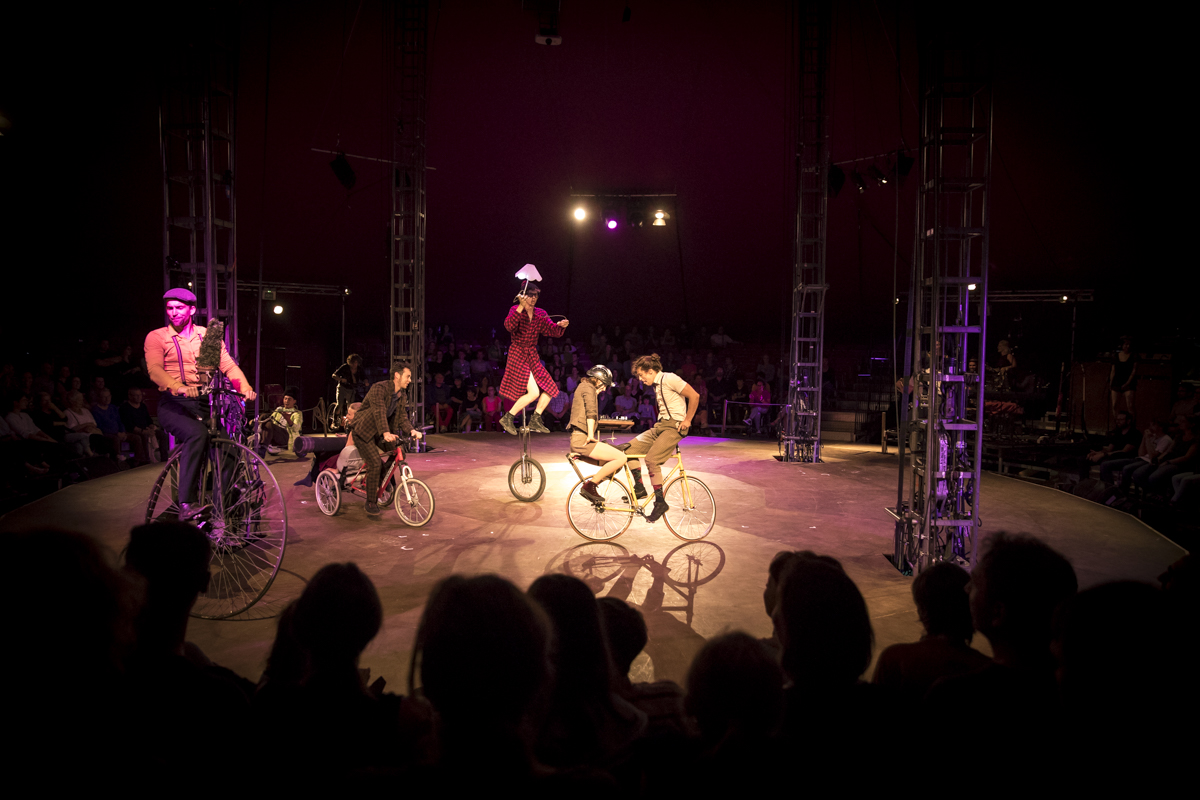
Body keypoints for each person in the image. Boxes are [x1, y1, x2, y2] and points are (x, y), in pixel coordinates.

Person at [144, 287, 257, 520]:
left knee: (229, 450)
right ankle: (186, 503)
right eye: (169, 308)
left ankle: (220, 510)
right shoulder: (157, 336)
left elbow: (228, 366)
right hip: (174, 403)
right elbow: (154, 369)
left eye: (179, 308)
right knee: (197, 434)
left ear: (192, 310)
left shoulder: (206, 336)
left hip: (203, 403)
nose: (173, 312)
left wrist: (244, 387)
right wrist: (179, 386)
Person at [626, 354, 700, 522]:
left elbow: (695, 396)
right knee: (627, 450)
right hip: (660, 426)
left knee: (652, 460)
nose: (640, 379)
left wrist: (688, 420)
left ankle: (660, 502)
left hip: (675, 427)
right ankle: (639, 488)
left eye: (641, 375)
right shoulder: (656, 384)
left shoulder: (670, 378)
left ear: (651, 371)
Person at [346, 359, 424, 515]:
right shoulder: (379, 389)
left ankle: (381, 478)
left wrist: (411, 431)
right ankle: (371, 502)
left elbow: (401, 417)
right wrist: (385, 433)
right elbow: (379, 412)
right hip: (364, 431)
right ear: (397, 375)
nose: (410, 380)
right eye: (408, 376)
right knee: (375, 463)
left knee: (399, 453)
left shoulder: (401, 395)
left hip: (380, 432)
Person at [498, 281, 569, 435]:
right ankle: (508, 418)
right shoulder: (515, 310)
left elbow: (550, 330)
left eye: (536, 295)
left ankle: (536, 419)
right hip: (518, 353)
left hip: (531, 354)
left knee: (551, 388)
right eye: (530, 295)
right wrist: (520, 307)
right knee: (534, 393)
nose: (533, 298)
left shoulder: (540, 313)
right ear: (524, 295)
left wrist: (560, 326)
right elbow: (509, 326)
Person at [568, 365, 632, 505]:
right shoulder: (588, 387)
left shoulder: (584, 387)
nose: (604, 389)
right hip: (582, 439)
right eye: (604, 385)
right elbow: (591, 413)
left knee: (616, 465)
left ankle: (593, 485)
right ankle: (590, 486)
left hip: (580, 438)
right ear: (597, 380)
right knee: (621, 458)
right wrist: (591, 435)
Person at [121, 387, 168, 463]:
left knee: (162, 435)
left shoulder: (142, 406)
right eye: (136, 395)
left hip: (146, 429)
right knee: (144, 436)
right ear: (130, 396)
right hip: (134, 431)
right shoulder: (125, 408)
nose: (139, 397)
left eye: (140, 395)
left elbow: (148, 419)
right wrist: (143, 431)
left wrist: (151, 426)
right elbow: (129, 425)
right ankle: (146, 460)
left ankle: (164, 459)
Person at [262, 387, 303, 456]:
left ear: (294, 401)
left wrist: (288, 419)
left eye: (289, 399)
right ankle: (255, 432)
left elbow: (296, 429)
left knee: (269, 424)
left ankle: (262, 449)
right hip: (276, 434)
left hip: (286, 437)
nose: (287, 401)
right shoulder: (279, 409)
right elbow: (271, 418)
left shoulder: (297, 413)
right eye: (285, 399)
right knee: (264, 416)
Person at [330, 354, 363, 431]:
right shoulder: (345, 367)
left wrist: (366, 381)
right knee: (340, 404)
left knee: (350, 406)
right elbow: (334, 375)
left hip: (351, 389)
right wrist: (341, 379)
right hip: (342, 388)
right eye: (353, 363)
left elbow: (364, 377)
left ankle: (349, 423)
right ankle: (334, 421)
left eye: (356, 363)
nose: (355, 365)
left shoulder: (359, 369)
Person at [1110, 336, 1137, 416]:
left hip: (1129, 383)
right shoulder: (1116, 356)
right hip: (1117, 382)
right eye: (1126, 344)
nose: (1127, 346)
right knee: (1115, 405)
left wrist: (1127, 383)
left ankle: (1131, 422)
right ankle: (1117, 421)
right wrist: (1111, 383)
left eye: (1129, 345)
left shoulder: (1134, 356)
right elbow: (1113, 371)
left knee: (1130, 405)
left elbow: (1134, 371)